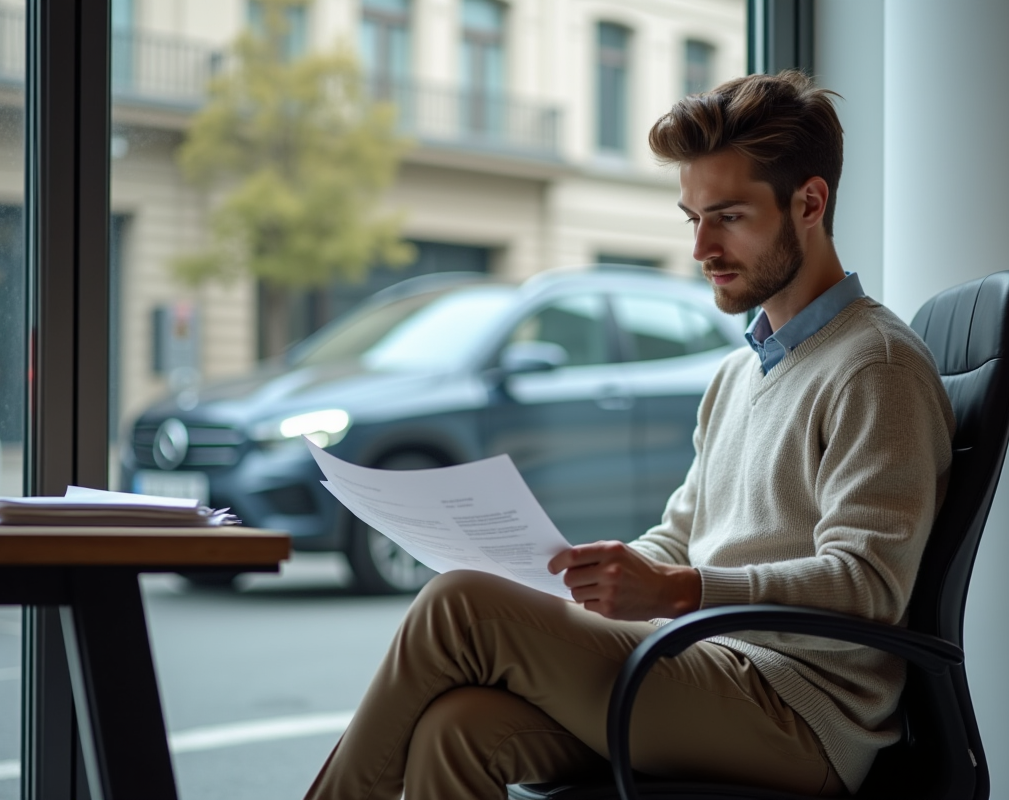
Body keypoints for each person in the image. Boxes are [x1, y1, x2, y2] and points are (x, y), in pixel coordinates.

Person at [303, 70, 955, 800]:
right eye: (693, 218)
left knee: (459, 603)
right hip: (706, 668)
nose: (702, 246)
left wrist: (678, 590)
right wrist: (586, 578)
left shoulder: (876, 365)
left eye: (730, 216)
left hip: (798, 713)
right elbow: (679, 538)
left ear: (809, 202)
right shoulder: (739, 376)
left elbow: (867, 586)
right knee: (457, 727)